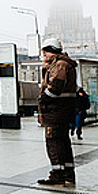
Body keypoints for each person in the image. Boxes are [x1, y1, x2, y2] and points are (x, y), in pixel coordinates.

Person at [37, 38, 77, 186]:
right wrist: (46, 68)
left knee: (53, 143)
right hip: (63, 111)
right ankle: (68, 175)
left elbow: (55, 87)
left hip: (55, 111)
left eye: (45, 52)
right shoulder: (64, 64)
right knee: (63, 143)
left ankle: (57, 175)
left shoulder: (60, 65)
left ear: (52, 50)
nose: (44, 56)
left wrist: (43, 98)